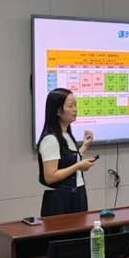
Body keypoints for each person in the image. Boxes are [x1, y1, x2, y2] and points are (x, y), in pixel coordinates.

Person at [36, 88, 96, 217]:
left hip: (77, 194)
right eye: (70, 106)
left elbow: (66, 161)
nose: (75, 109)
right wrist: (78, 166)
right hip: (61, 200)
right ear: (58, 111)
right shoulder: (51, 139)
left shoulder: (66, 134)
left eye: (75, 105)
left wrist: (84, 147)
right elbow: (50, 177)